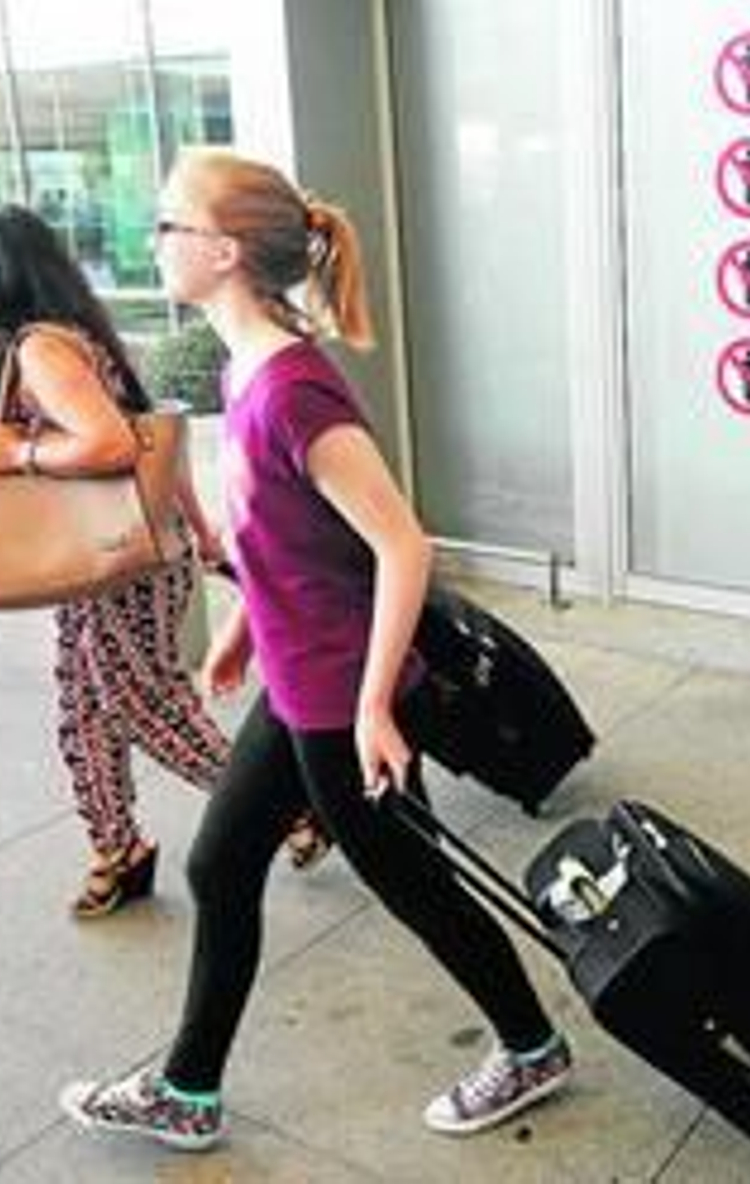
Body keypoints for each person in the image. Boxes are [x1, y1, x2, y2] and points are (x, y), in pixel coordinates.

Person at [58, 150, 571, 1151]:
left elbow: (400, 544)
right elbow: (290, 537)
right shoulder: (244, 367)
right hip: (300, 687)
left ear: (225, 251)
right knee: (221, 864)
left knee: (413, 882)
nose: (155, 240)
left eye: (170, 223)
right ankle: (188, 1090)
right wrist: (243, 628)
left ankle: (532, 1045)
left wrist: (376, 705)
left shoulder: (293, 392)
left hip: (342, 701)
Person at [0, 206, 249, 918]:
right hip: (121, 553)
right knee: (83, 711)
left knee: (144, 705)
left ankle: (285, 808)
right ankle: (118, 848)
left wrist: (11, 452)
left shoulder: (41, 350)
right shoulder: (83, 335)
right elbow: (157, 439)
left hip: (117, 565)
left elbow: (112, 444)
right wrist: (200, 530)